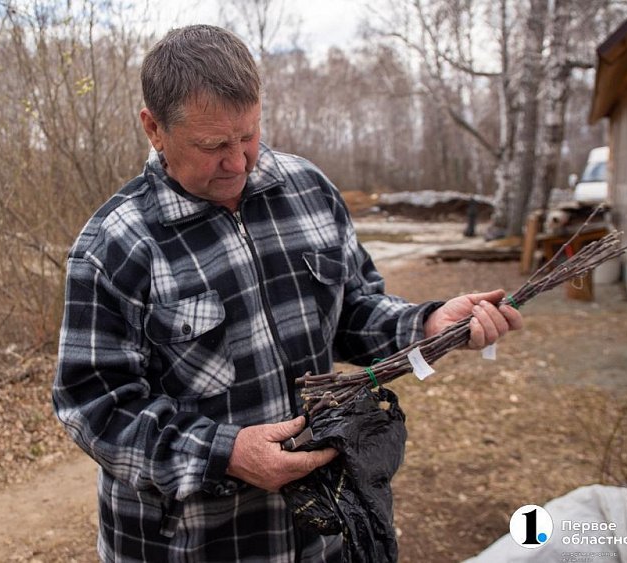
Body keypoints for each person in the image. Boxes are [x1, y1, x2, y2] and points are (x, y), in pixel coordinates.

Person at [52, 24, 523, 562]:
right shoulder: (114, 246)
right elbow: (94, 407)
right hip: (192, 545)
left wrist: (428, 324)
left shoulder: (309, 191)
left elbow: (354, 310)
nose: (238, 161)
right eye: (213, 146)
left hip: (320, 535)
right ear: (154, 128)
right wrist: (224, 453)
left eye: (248, 134)